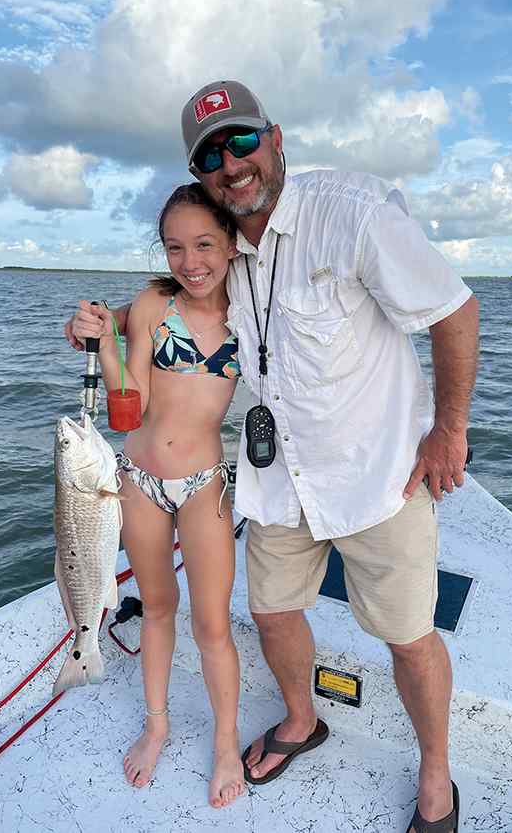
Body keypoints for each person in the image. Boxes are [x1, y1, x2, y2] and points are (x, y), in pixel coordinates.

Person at [67, 80, 478, 833]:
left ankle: (436, 779)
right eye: (211, 153)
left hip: (377, 473)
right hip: (278, 478)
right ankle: (300, 719)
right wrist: (96, 322)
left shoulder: (350, 213)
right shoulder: (224, 247)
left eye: (242, 140)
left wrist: (448, 431)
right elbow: (161, 309)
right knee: (272, 609)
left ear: (275, 136)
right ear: (202, 175)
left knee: (408, 634)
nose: (232, 161)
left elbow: (454, 308)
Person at [69, 183, 244, 809]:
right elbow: (129, 407)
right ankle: (158, 722)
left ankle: (226, 744)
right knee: (159, 607)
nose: (191, 261)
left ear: (231, 243)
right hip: (139, 480)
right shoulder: (150, 306)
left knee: (213, 623)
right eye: (174, 248)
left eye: (204, 244)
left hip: (204, 485)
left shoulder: (249, 311)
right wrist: (102, 339)